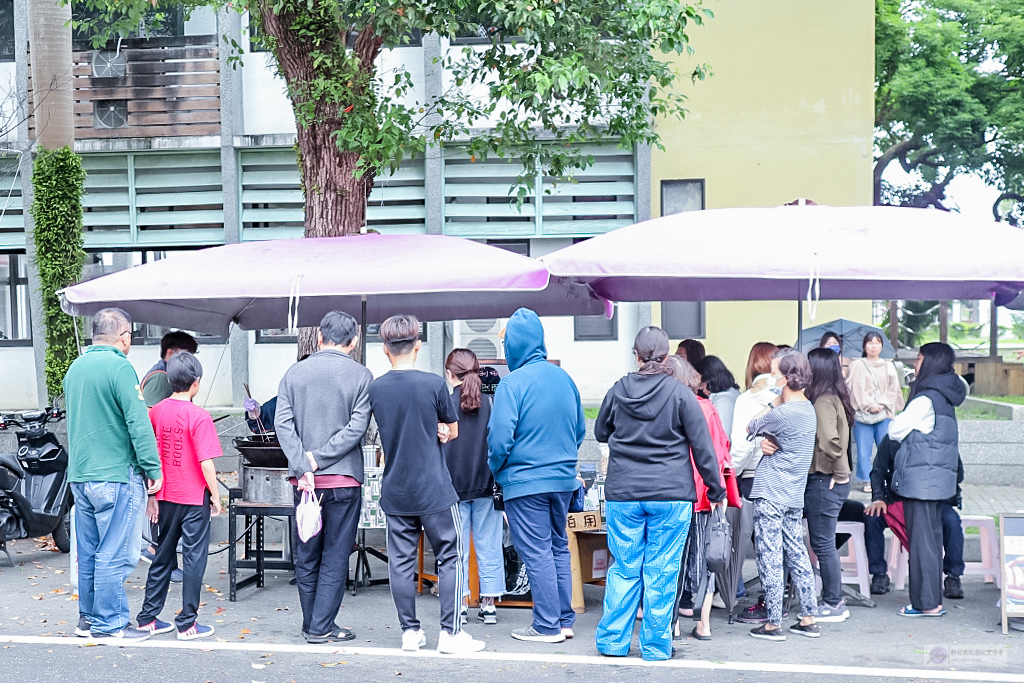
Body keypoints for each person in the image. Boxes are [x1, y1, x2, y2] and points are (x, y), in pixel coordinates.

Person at [593, 328, 725, 660]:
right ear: (667, 358)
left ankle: (612, 642)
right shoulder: (681, 395)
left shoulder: (618, 390)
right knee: (662, 569)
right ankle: (654, 646)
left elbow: (600, 431)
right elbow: (703, 449)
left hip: (624, 493)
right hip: (671, 494)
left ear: (636, 355)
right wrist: (716, 488)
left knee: (624, 566)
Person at [369, 315, 486, 654]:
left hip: (396, 488)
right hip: (434, 487)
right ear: (418, 345)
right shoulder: (434, 383)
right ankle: (450, 633)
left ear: (385, 350)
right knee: (451, 555)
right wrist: (440, 432)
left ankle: (410, 632)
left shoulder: (376, 388)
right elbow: (452, 431)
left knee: (401, 563)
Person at [63, 307, 162, 642]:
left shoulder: (75, 369)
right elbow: (138, 422)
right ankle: (111, 624)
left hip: (80, 475)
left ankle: (87, 620)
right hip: (116, 473)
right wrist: (153, 468)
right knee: (113, 552)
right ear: (124, 336)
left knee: (89, 551)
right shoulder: (120, 367)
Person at [488, 308, 586, 644]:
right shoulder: (565, 379)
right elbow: (579, 431)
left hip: (524, 482)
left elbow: (500, 438)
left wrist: (497, 467)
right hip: (562, 479)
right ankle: (563, 619)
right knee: (558, 547)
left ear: (513, 347)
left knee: (537, 552)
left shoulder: (511, 384)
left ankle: (545, 626)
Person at [275, 311, 372, 644]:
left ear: (319, 338)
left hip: (304, 486)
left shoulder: (293, 373)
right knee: (335, 554)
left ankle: (311, 623)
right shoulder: (362, 376)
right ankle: (320, 627)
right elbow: (356, 429)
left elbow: (281, 424)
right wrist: (319, 459)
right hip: (343, 480)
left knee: (307, 553)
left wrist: (304, 464)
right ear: (354, 341)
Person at [872, 342, 965, 617]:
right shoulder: (947, 398)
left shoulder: (925, 400)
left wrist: (895, 419)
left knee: (922, 545)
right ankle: (932, 600)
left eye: (920, 358)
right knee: (932, 544)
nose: (915, 363)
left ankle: (927, 604)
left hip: (920, 482)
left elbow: (896, 431)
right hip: (937, 483)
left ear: (932, 363)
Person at [137, 352, 222, 640]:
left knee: (162, 556)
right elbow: (206, 463)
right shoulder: (200, 416)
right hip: (194, 497)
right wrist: (216, 495)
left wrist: (152, 495)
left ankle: (147, 618)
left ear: (170, 380)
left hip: (164, 496)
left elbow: (149, 457)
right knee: (194, 560)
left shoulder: (156, 411)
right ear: (196, 383)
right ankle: (187, 622)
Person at [745, 348, 819, 641]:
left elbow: (750, 426)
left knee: (770, 556)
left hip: (770, 492)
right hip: (792, 495)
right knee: (797, 552)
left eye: (774, 373)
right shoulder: (808, 409)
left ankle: (774, 621)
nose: (770, 377)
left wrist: (773, 400)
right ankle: (809, 615)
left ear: (788, 378)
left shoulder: (783, 412)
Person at [664, 354, 734, 643]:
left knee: (674, 559)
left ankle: (674, 625)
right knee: (708, 556)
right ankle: (704, 623)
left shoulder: (663, 406)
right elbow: (721, 452)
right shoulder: (707, 408)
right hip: (706, 492)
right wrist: (721, 491)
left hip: (674, 491)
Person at [443, 348, 504, 626]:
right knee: (489, 544)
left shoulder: (444, 402)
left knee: (457, 548)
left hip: (453, 486)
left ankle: (461, 604)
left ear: (449, 373)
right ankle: (489, 605)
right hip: (488, 486)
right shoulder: (491, 401)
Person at [804, 348, 854, 622]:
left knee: (822, 544)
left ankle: (834, 603)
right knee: (823, 543)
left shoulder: (822, 401)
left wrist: (842, 471)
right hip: (828, 479)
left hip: (825, 480)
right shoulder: (834, 397)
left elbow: (828, 441)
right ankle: (834, 601)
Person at [848, 331, 904, 491]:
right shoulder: (857, 364)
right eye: (870, 342)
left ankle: (886, 478)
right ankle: (867, 481)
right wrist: (869, 405)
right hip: (862, 415)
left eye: (877, 342)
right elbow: (856, 389)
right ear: (865, 346)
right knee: (863, 450)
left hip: (884, 413)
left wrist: (880, 404)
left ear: (882, 346)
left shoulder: (888, 365)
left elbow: (894, 389)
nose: (874, 346)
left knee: (885, 448)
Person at [730, 342, 780, 498]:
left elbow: (743, 446)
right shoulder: (790, 397)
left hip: (754, 478)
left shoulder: (747, 399)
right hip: (786, 480)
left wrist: (729, 475)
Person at [141, 331, 198, 408]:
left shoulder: (172, 375)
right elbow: (148, 415)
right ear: (170, 353)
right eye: (187, 355)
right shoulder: (159, 379)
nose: (190, 360)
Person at [695, 355, 741, 434]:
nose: (701, 388)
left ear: (710, 379)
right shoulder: (731, 394)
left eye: (701, 382)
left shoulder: (723, 402)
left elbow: (723, 437)